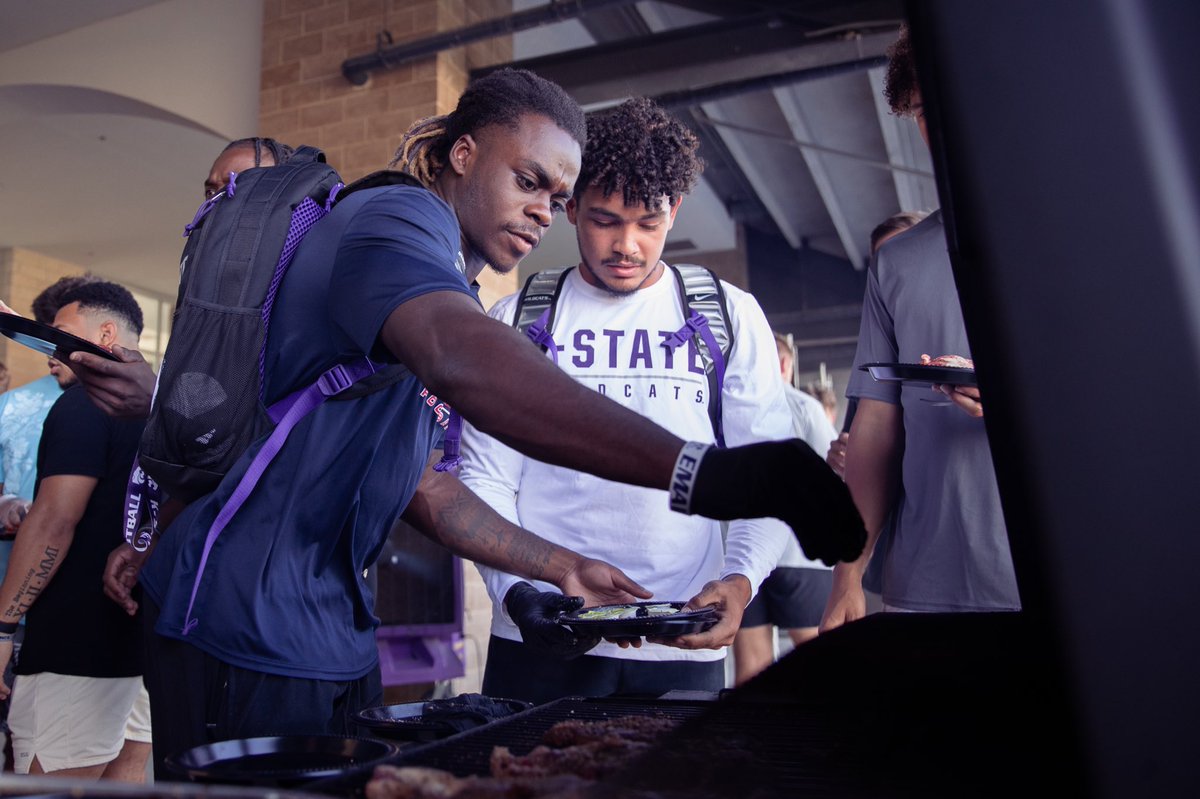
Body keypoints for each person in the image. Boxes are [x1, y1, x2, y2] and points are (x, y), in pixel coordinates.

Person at [92, 69, 862, 775]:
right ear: (463, 153)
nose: (542, 211)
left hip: (334, 633)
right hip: (238, 619)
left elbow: (425, 485)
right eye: (528, 180)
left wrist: (555, 567)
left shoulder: (442, 275)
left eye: (556, 196)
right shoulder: (395, 217)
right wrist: (699, 470)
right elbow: (462, 356)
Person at [458, 97, 797, 703]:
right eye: (605, 220)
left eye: (649, 222)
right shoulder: (518, 318)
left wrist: (741, 581)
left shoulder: (729, 315)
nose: (627, 246)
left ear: (676, 210)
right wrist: (518, 591)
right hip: (542, 636)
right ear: (570, 209)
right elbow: (486, 478)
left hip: (681, 636)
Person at [821, 27, 1017, 630]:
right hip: (925, 588)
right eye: (928, 110)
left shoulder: (1095, 245)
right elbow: (876, 429)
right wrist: (848, 577)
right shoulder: (898, 263)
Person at [0, 280, 151, 781]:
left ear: (105, 334)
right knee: (124, 779)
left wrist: (2, 628)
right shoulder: (165, 410)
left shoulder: (85, 404)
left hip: (74, 647)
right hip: (139, 644)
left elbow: (54, 522)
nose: (50, 348)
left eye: (60, 332)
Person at [60, 137, 295, 419]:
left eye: (238, 187)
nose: (217, 202)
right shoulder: (209, 290)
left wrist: (154, 398)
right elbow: (205, 397)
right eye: (211, 191)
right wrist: (155, 389)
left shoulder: (299, 285)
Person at [732, 333, 839, 684]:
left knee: (752, 671)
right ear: (784, 364)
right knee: (824, 668)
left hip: (743, 558)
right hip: (800, 556)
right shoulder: (804, 406)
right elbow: (834, 476)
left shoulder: (730, 407)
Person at [825, 211, 925, 480]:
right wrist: (840, 457)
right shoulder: (870, 364)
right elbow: (850, 451)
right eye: (884, 264)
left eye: (904, 259)